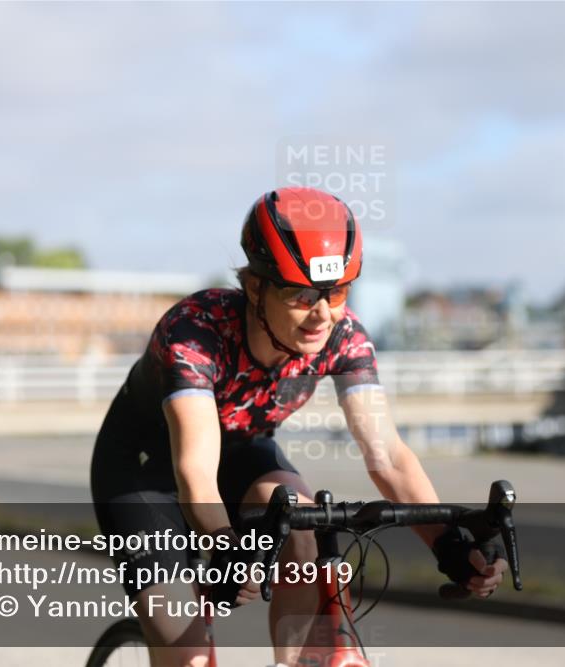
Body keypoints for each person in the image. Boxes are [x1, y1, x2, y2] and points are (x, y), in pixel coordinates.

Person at [90, 187, 508, 667]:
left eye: (338, 291)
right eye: (302, 294)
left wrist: (449, 542)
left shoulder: (342, 336)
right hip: (145, 472)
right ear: (254, 287)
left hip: (244, 452)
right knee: (184, 645)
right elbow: (196, 474)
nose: (322, 313)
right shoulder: (194, 332)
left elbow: (387, 455)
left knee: (303, 525)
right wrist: (228, 547)